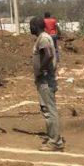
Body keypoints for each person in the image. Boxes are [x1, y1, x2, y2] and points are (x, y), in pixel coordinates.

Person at [30, 16, 64, 150]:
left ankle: (54, 142)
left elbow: (48, 54)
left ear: (35, 26)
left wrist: (40, 71)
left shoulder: (43, 38)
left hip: (45, 80)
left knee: (50, 110)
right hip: (45, 79)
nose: (29, 28)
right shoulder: (45, 37)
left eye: (30, 26)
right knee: (47, 109)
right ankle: (55, 139)